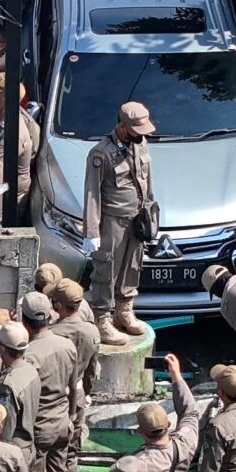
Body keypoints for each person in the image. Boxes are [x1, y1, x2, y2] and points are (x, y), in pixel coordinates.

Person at [83, 100, 158, 340]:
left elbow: (147, 180)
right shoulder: (101, 153)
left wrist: (150, 211)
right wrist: (91, 231)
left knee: (133, 266)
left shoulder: (141, 144)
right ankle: (102, 317)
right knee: (107, 269)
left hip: (137, 218)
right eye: (136, 130)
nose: (141, 135)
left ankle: (124, 310)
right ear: (123, 126)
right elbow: (92, 193)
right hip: (112, 221)